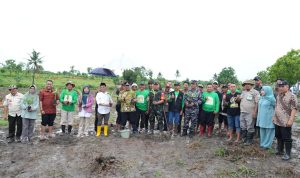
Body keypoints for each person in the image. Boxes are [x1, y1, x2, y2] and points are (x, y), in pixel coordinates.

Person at [273, 80, 298, 160]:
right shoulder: (278, 95)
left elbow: (294, 109)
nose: (280, 88)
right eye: (279, 86)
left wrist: (291, 120)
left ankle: (288, 154)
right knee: (278, 136)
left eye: (282, 86)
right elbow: (276, 106)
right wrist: (274, 116)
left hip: (285, 121)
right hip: (277, 120)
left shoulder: (292, 96)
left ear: (287, 86)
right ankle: (280, 150)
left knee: (286, 137)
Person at [239, 80, 259, 145]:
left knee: (250, 126)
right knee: (243, 126)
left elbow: (257, 103)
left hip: (250, 112)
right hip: (242, 111)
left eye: (248, 84)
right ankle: (244, 139)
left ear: (252, 85)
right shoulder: (243, 92)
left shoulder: (255, 92)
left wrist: (255, 112)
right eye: (245, 84)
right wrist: (237, 98)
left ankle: (249, 140)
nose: (247, 85)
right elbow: (240, 100)